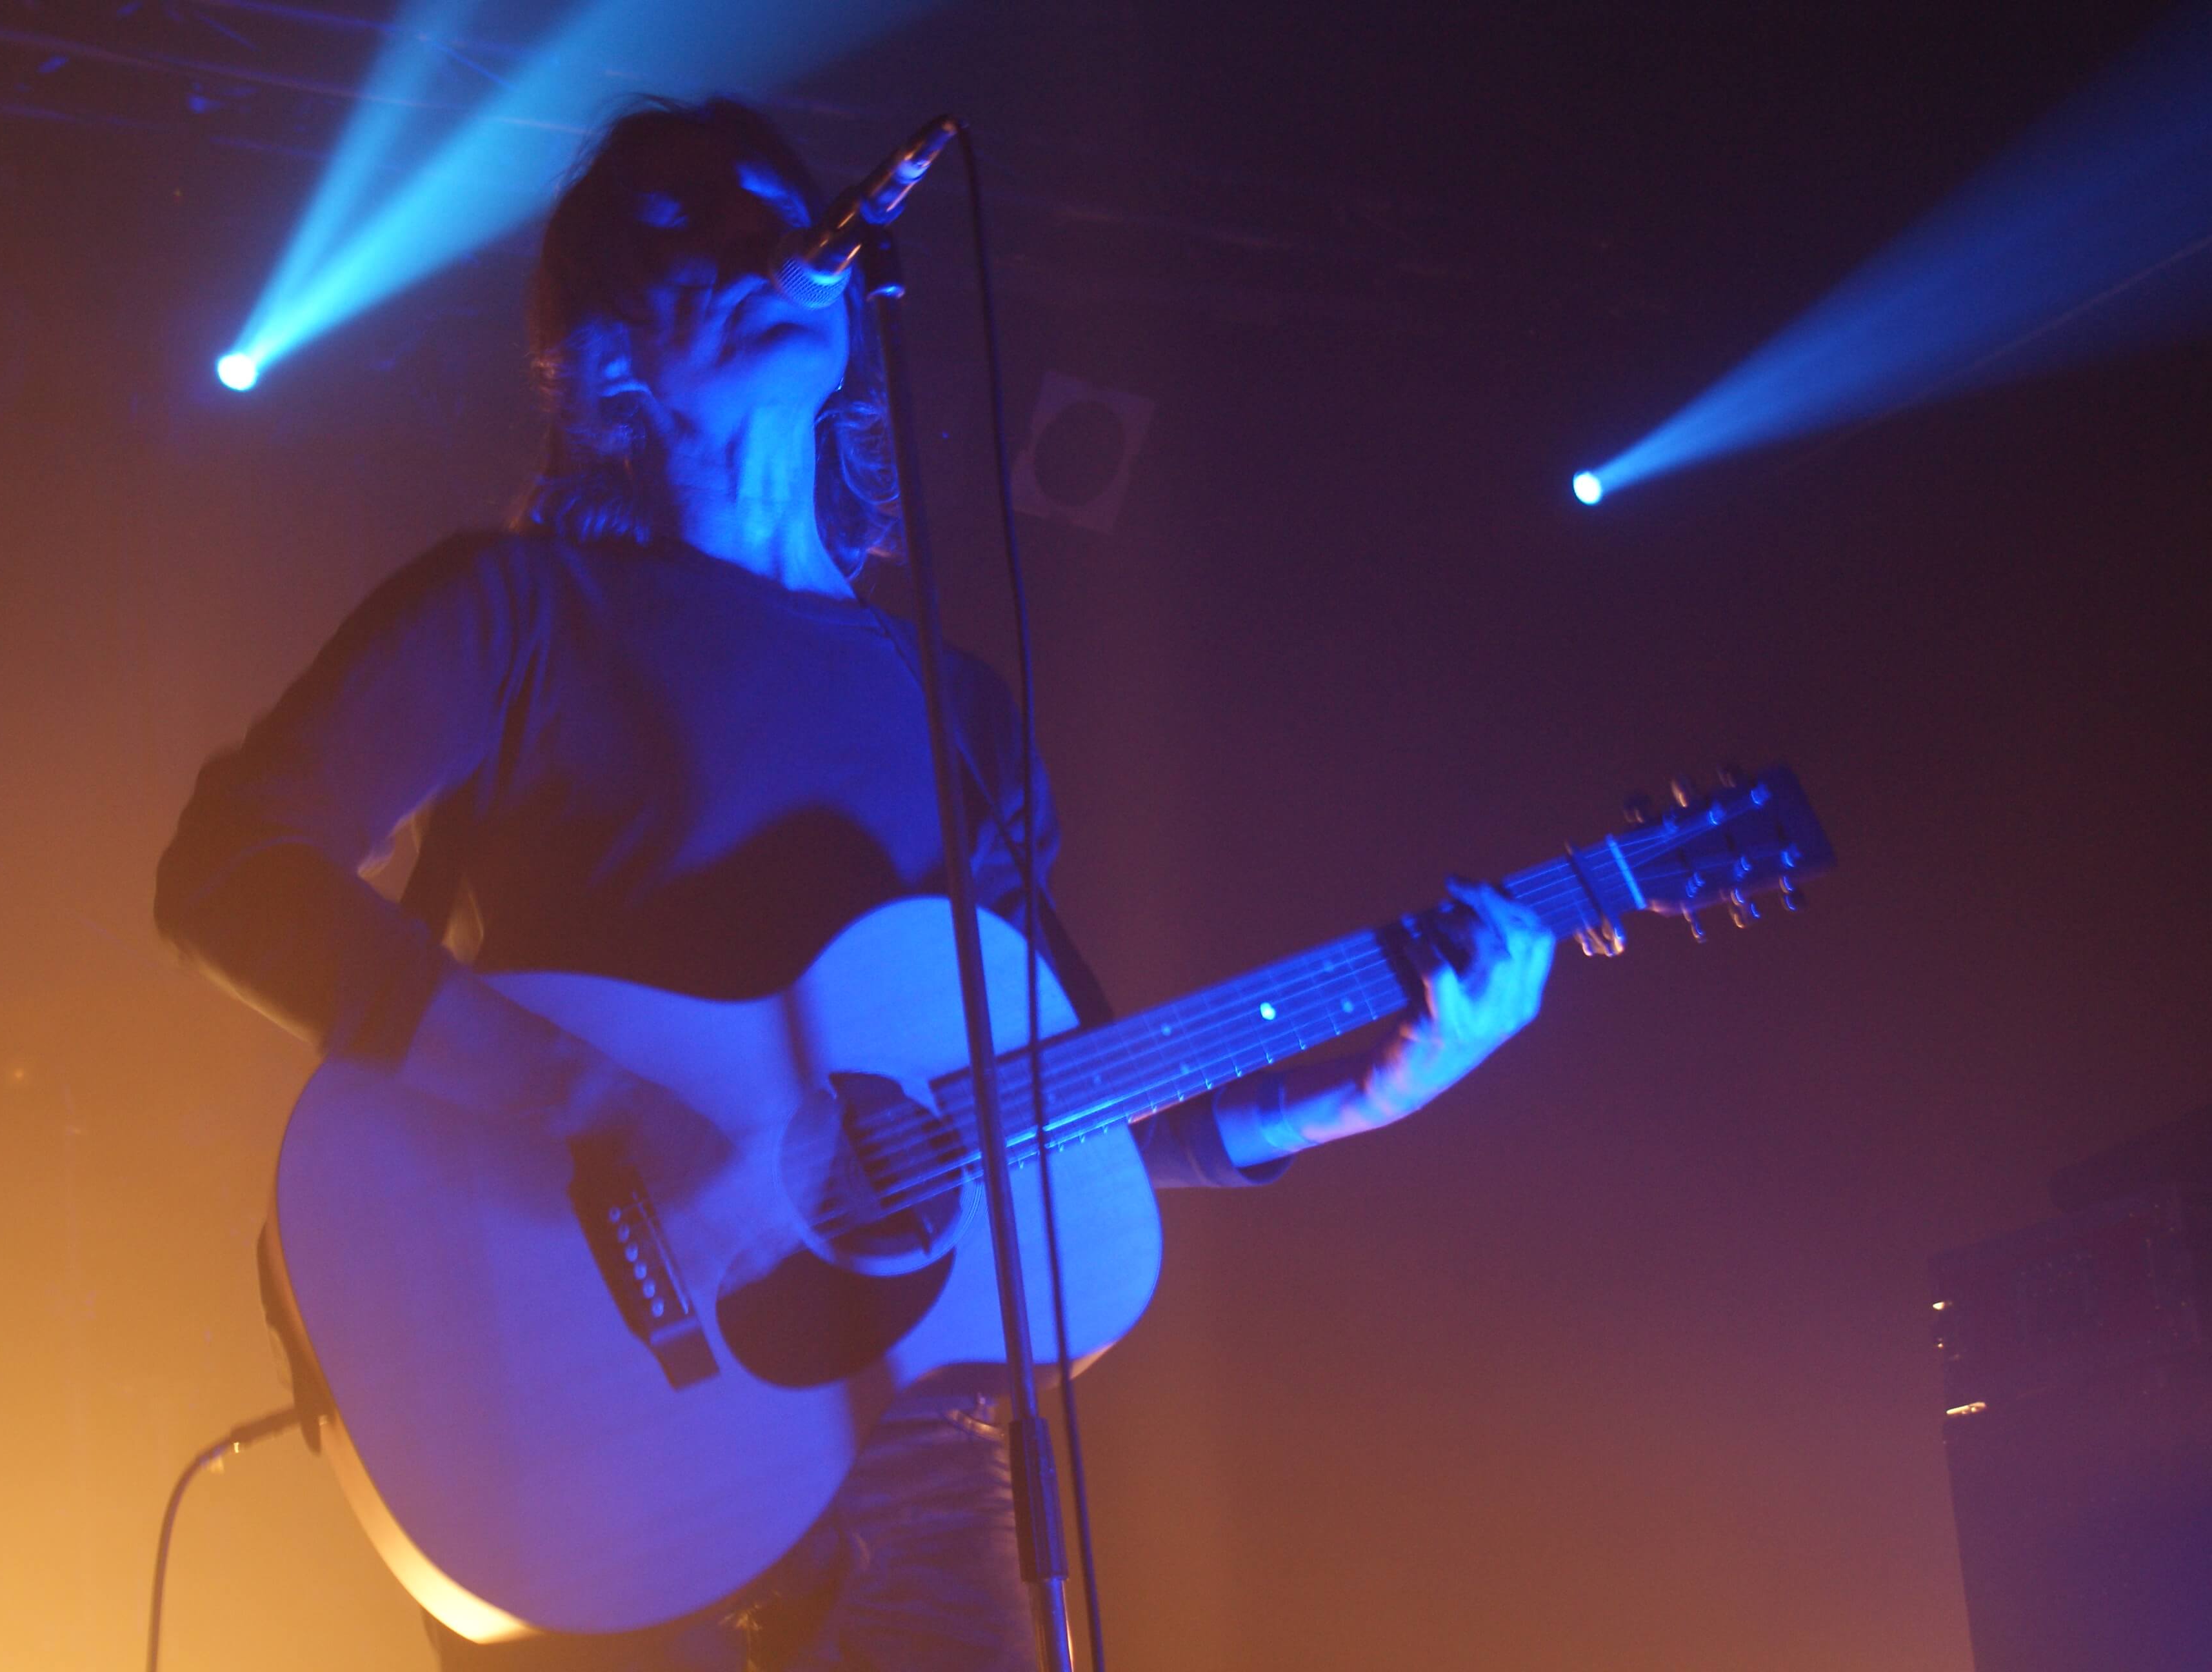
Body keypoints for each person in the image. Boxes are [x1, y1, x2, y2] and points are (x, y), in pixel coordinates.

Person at [154, 97, 1554, 1672]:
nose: (765, 238)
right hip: (577, 1420)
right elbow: (231, 872)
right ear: (605, 355)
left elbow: (1050, 1114)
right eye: (693, 221)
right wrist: (614, 1110)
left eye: (780, 209)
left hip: (913, 1442)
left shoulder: (958, 710)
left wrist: (1359, 1096)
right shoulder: (516, 610)